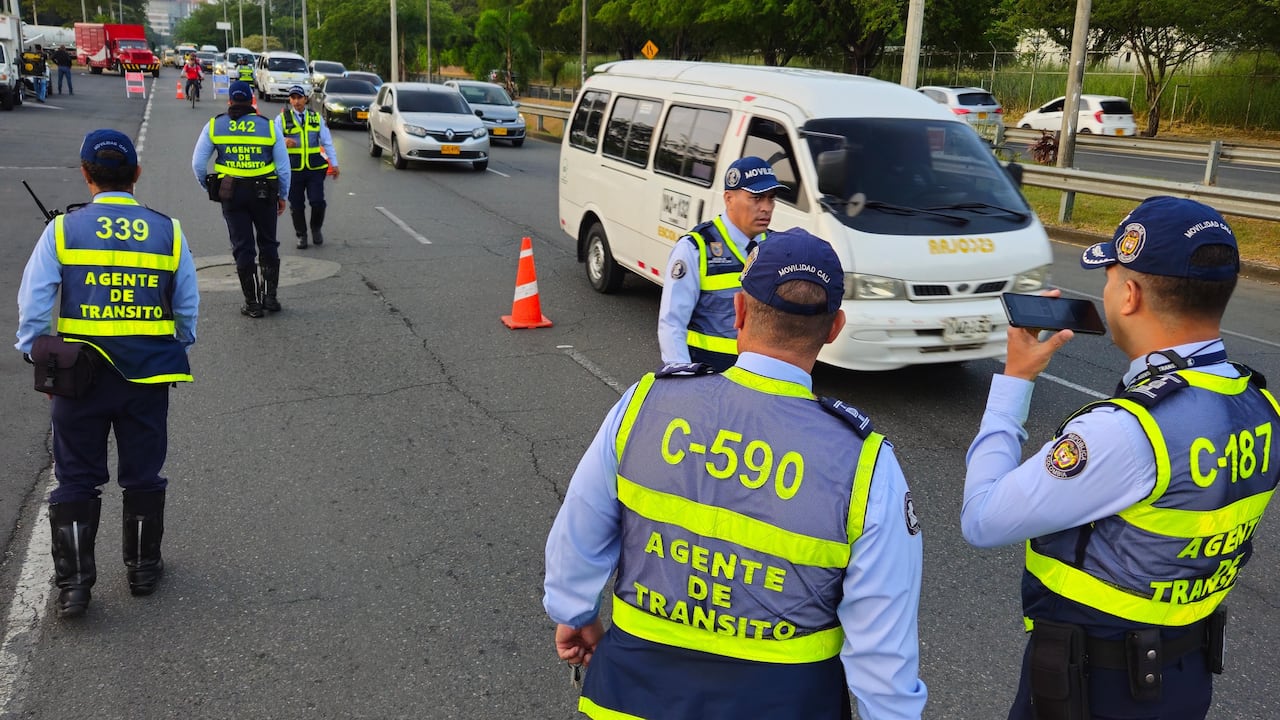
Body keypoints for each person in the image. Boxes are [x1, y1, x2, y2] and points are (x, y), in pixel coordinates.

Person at [545, 229, 928, 719]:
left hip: (631, 694)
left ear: (739, 311)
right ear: (834, 328)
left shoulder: (645, 403)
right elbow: (885, 651)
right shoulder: (867, 464)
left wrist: (572, 613)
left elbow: (577, 531)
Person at [961, 196, 1279, 719]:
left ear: (1128, 295)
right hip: (1185, 678)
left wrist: (1013, 384)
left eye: (1109, 278)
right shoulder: (1261, 405)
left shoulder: (1127, 430)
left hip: (1093, 688)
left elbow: (981, 520)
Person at [15, 129, 199, 618]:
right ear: (136, 174)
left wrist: (36, 356)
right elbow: (187, 307)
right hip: (147, 376)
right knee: (142, 472)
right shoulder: (168, 231)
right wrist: (174, 345)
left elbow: (33, 306)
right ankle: (142, 568)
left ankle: (74, 586)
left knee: (75, 476)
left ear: (85, 174)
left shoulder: (62, 231)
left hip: (77, 378)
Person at [657, 156, 784, 371]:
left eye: (771, 198)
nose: (766, 207)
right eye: (757, 198)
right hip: (708, 374)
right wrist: (682, 377)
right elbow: (672, 323)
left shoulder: (776, 247)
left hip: (758, 376)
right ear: (729, 198)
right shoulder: (696, 248)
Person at [191, 80, 291, 317]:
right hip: (264, 192)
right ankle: (270, 298)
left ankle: (252, 303)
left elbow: (197, 164)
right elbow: (284, 168)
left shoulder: (215, 126)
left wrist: (208, 186)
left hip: (231, 193)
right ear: (251, 101)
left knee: (242, 247)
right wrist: (283, 195)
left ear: (230, 101)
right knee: (268, 243)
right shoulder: (268, 127)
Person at [274, 84, 339, 249]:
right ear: (290, 100)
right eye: (293, 98)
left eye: (299, 98)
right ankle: (301, 235)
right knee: (296, 205)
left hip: (314, 169)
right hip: (293, 170)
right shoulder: (281, 119)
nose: (296, 102)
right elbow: (272, 141)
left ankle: (316, 228)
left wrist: (335, 164)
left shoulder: (316, 118)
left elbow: (327, 142)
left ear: (305, 99)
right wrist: (283, 141)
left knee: (318, 202)